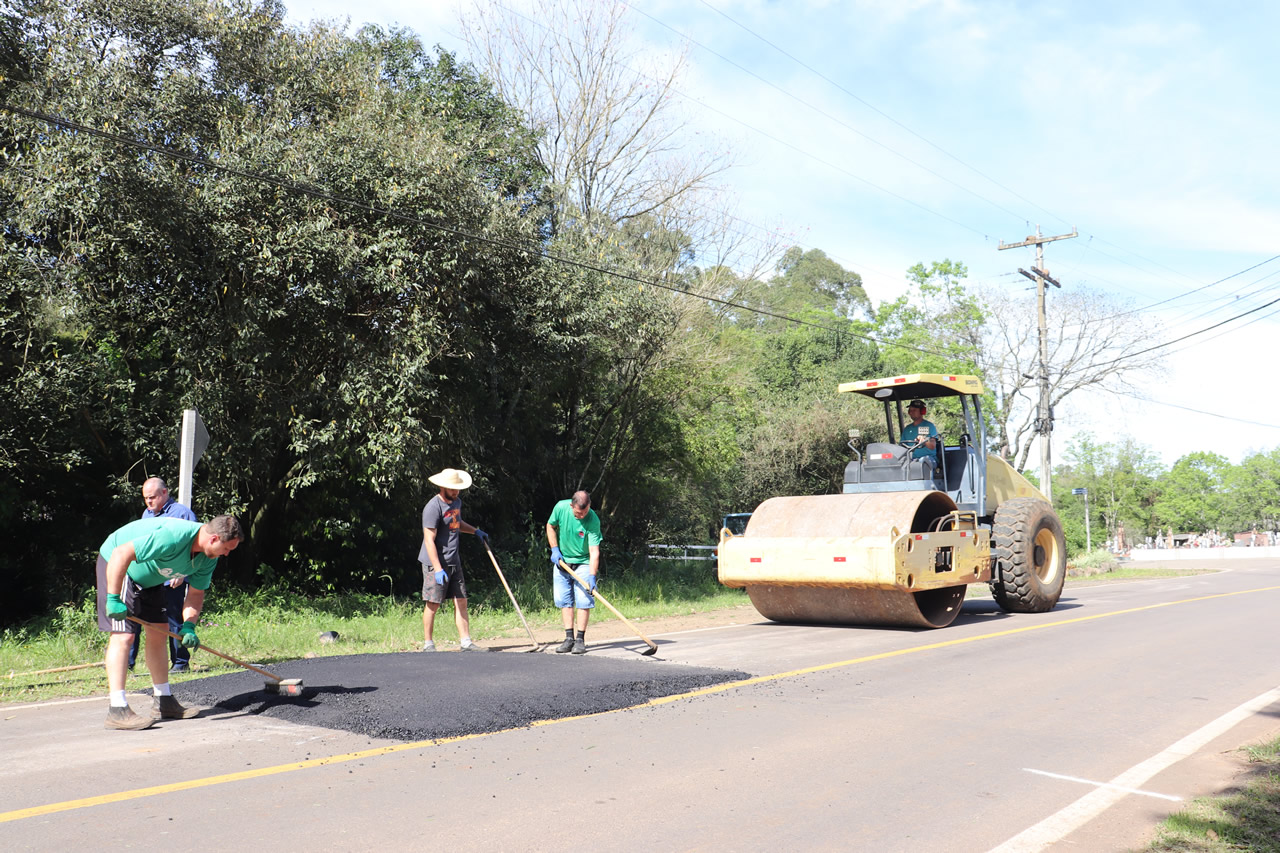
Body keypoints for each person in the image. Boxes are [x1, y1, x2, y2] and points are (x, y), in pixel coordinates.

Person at [97, 514, 243, 730]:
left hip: (150, 579)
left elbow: (195, 594)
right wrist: (113, 598)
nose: (227, 554)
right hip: (121, 566)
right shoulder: (174, 536)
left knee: (159, 632)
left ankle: (163, 701)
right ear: (214, 539)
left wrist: (189, 626)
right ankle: (117, 709)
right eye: (227, 548)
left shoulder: (207, 558)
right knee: (124, 635)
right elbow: (121, 553)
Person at [131, 477, 199, 674]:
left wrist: (183, 572)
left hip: (173, 577)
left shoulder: (182, 513)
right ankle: (128, 664)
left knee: (173, 620)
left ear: (164, 493)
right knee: (136, 617)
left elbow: (192, 546)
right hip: (150, 578)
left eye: (152, 497)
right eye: (145, 499)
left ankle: (180, 663)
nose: (148, 502)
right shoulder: (146, 514)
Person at [419, 468, 490, 652]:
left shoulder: (456, 502)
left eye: (457, 488)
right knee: (433, 603)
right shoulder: (433, 507)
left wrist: (475, 531)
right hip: (435, 562)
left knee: (461, 600)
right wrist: (437, 568)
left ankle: (466, 642)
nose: (456, 492)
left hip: (453, 560)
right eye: (452, 489)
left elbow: (456, 523)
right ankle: (428, 644)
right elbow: (429, 540)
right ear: (442, 487)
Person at [546, 490, 602, 655]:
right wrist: (555, 549)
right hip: (562, 561)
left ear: (589, 506)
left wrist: (592, 575)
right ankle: (569, 638)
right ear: (572, 506)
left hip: (583, 562)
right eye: (578, 512)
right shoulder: (561, 508)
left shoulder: (593, 520)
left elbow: (594, 551)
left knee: (584, 601)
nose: (582, 515)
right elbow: (550, 526)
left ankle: (580, 639)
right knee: (564, 601)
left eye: (585, 512)